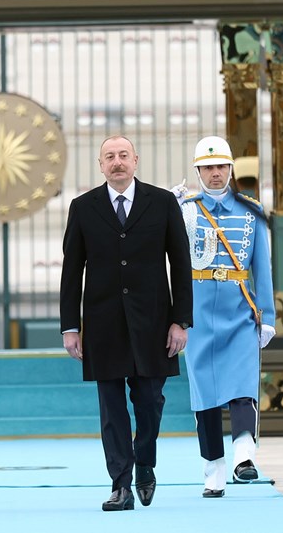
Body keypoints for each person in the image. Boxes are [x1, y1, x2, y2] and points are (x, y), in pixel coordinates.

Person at [59, 136, 193, 511]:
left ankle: (145, 464)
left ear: (135, 160)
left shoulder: (162, 202)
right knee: (111, 408)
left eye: (123, 156)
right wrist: (70, 326)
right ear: (100, 165)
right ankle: (120, 483)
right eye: (109, 157)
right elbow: (71, 271)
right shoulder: (83, 207)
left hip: (153, 322)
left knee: (150, 400)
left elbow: (181, 264)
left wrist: (180, 321)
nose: (117, 163)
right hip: (102, 324)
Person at [179, 136, 275, 498]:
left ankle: (243, 454)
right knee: (203, 394)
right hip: (198, 314)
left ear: (231, 169)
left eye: (221, 166)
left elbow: (262, 268)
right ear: (198, 172)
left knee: (242, 384)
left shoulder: (251, 210)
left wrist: (266, 316)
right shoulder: (185, 210)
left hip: (238, 312)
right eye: (207, 168)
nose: (215, 173)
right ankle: (213, 468)